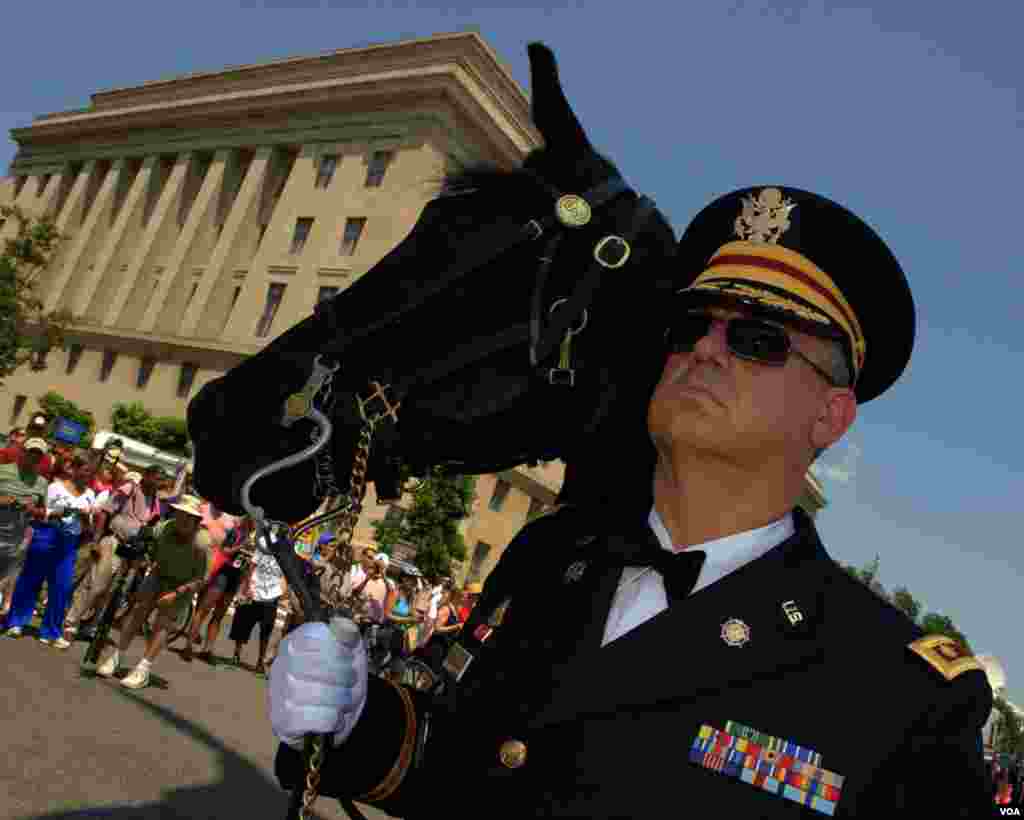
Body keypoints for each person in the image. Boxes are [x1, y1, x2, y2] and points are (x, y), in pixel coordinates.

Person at [268, 186, 993, 817]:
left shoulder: (899, 692)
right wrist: (357, 722)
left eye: (757, 338)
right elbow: (460, 773)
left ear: (830, 418)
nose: (706, 349)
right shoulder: (552, 558)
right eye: (689, 329)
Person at [94, 494, 210, 689]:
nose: (181, 519)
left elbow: (202, 579)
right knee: (137, 612)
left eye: (187, 516)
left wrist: (176, 593)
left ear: (196, 521)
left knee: (163, 623)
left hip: (183, 585)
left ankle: (143, 669)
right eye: (179, 513)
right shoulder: (164, 528)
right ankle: (117, 656)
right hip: (158, 574)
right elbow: (148, 546)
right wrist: (143, 556)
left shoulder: (202, 543)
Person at [63, 464, 164, 641]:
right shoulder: (129, 488)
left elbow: (151, 525)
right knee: (95, 585)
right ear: (146, 475)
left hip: (133, 551)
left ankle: (93, 626)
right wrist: (96, 540)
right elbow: (105, 512)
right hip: (114, 541)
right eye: (156, 478)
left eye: (161, 479)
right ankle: (70, 622)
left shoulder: (155, 499)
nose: (159, 482)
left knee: (114, 592)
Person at [2, 456, 96, 645]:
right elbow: (40, 511)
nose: (87, 475)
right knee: (30, 580)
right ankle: (16, 622)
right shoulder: (54, 487)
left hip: (69, 543)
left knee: (62, 587)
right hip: (46, 535)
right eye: (85, 470)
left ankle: (51, 632)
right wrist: (57, 514)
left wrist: (86, 519)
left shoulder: (90, 494)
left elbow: (88, 526)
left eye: (91, 473)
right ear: (74, 469)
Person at [186, 512, 247, 663]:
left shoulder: (257, 539)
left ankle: (207, 649)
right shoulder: (236, 532)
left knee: (219, 615)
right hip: (223, 572)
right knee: (204, 609)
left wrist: (243, 586)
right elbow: (224, 550)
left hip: (236, 576)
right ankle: (188, 646)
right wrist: (241, 546)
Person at [0, 439, 50, 619]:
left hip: (17, 538)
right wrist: (3, 500)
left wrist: (33, 509)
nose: (34, 457)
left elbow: (44, 512)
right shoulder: (3, 470)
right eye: (31, 452)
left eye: (38, 455)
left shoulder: (42, 483)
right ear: (23, 452)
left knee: (6, 579)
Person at [229, 539, 288, 675]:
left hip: (271, 598)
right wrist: (248, 587)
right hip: (253, 593)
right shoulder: (263, 547)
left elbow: (285, 576)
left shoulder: (285, 555)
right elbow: (251, 567)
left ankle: (260, 663)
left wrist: (281, 592)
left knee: (266, 631)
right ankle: (236, 656)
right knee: (242, 624)